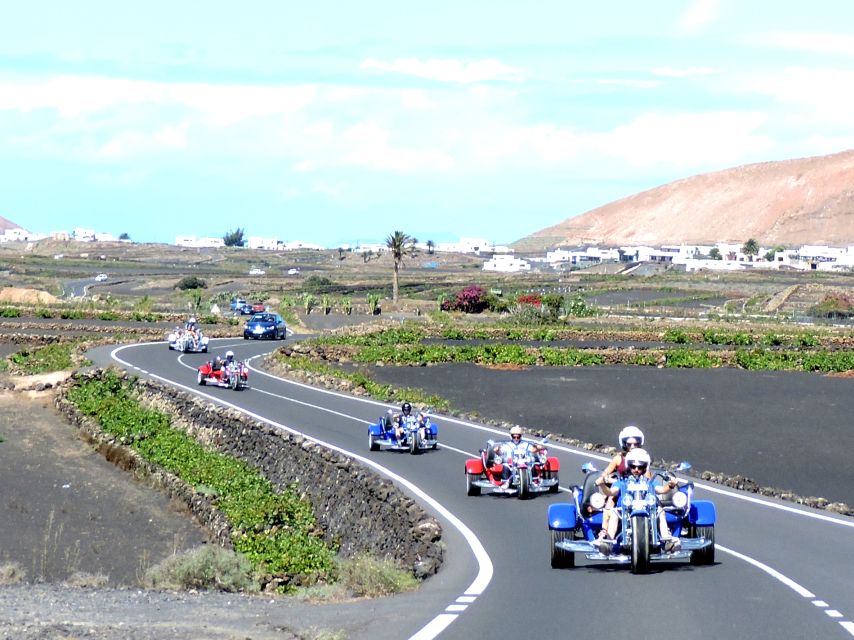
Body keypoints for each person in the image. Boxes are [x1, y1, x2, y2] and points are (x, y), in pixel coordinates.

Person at [594, 448, 680, 552]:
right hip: (624, 511)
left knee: (661, 512)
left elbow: (661, 490)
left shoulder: (649, 482)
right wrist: (602, 485)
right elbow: (610, 492)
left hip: (648, 510)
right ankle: (608, 542)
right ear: (629, 466)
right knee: (614, 514)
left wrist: (670, 485)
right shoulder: (622, 482)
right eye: (633, 466)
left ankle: (667, 540)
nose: (636, 469)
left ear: (645, 467)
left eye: (640, 467)